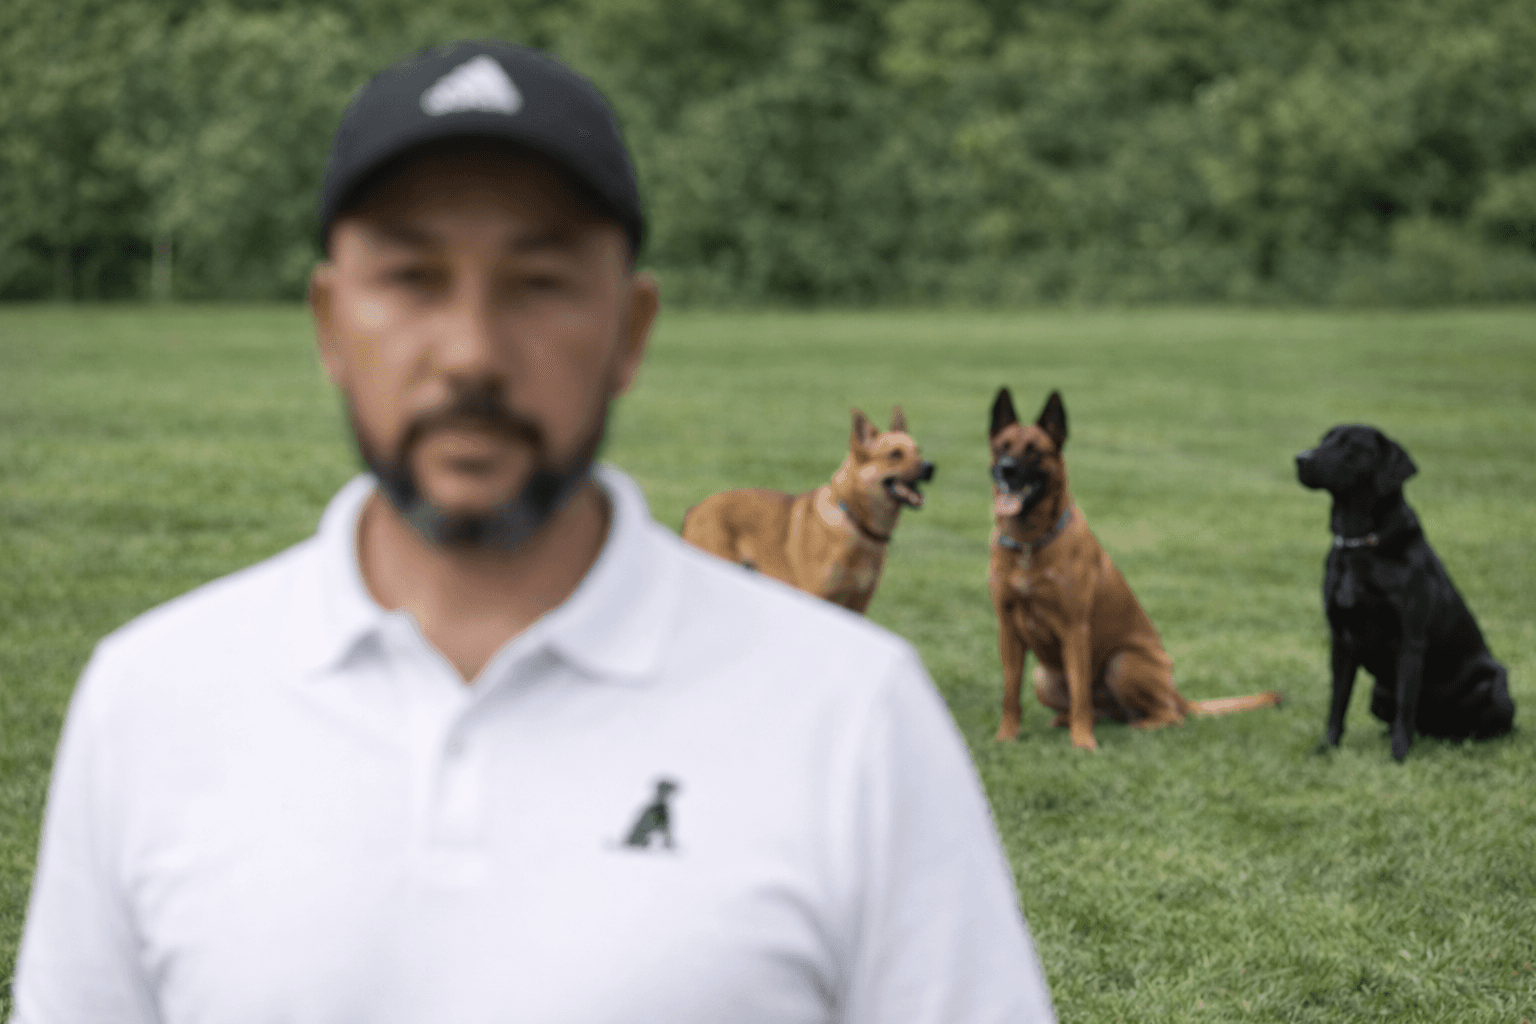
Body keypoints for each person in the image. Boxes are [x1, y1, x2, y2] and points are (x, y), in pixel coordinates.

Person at [11, 40, 1056, 1023]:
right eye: (412, 278)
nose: (471, 351)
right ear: (332, 325)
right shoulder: (151, 700)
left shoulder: (855, 715)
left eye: (541, 281)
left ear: (630, 331)